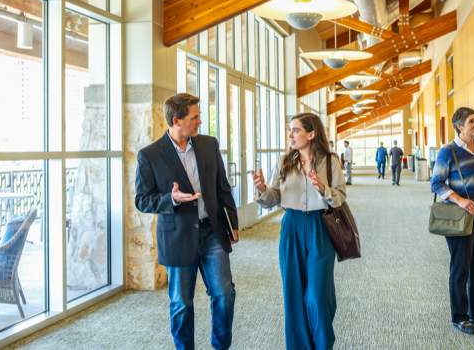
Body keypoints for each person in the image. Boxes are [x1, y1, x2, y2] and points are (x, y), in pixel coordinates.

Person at [135, 93, 239, 350]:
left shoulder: (208, 144)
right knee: (181, 303)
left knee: (224, 295)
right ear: (176, 120)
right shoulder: (149, 155)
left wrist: (232, 223)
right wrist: (170, 199)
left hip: (212, 232)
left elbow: (222, 187)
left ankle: (220, 346)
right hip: (177, 237)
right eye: (194, 117)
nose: (200, 122)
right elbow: (142, 200)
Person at [253, 113, 346, 350]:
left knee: (317, 295)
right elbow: (273, 197)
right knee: (293, 292)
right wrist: (263, 189)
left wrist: (322, 188)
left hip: (320, 228)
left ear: (312, 133)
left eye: (295, 130)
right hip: (291, 228)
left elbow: (340, 198)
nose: (290, 135)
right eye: (290, 130)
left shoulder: (331, 161)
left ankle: (323, 344)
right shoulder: (284, 162)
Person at [430, 107, 474, 336]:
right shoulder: (447, 152)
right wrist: (460, 200)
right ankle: (459, 317)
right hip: (460, 219)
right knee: (460, 268)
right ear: (460, 126)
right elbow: (437, 183)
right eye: (472, 121)